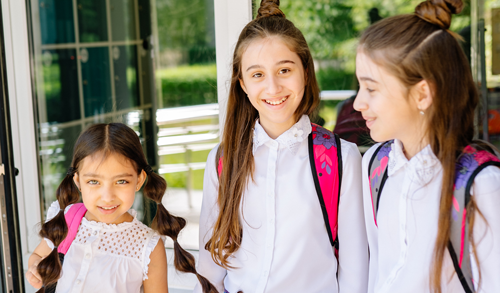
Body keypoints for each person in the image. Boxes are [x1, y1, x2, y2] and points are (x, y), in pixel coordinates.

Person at [194, 1, 368, 292]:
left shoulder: (340, 158)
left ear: (305, 72)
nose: (272, 88)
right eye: (257, 74)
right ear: (243, 84)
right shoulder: (222, 160)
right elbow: (210, 267)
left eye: (285, 70)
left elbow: (355, 271)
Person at [353, 0, 500, 292]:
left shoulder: (480, 185)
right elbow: (378, 272)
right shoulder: (376, 165)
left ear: (422, 94)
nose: (358, 103)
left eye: (371, 88)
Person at [25, 123, 217, 293]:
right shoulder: (68, 218)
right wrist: (35, 268)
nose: (107, 196)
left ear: (139, 180)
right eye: (93, 181)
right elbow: (38, 255)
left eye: (121, 181)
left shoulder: (147, 246)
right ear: (78, 181)